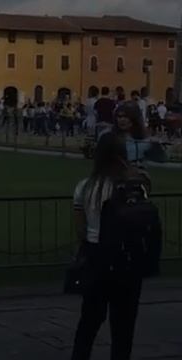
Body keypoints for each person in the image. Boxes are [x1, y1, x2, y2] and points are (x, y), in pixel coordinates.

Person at [70, 132, 161, 360]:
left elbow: (80, 229)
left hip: (96, 255)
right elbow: (147, 190)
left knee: (89, 321)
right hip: (127, 258)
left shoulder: (86, 187)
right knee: (124, 324)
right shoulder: (135, 186)